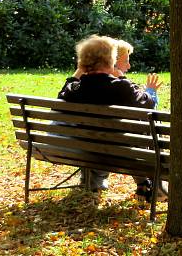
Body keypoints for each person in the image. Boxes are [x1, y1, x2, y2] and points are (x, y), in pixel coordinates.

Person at [57, 35, 163, 197]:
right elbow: (148, 103)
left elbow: (62, 93)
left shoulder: (74, 89)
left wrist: (79, 71)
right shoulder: (122, 87)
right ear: (111, 60)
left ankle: (93, 180)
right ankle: (148, 185)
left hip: (87, 151)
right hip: (121, 153)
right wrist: (121, 77)